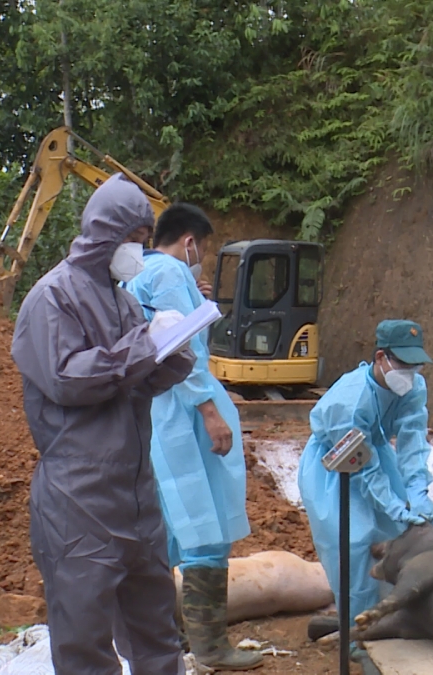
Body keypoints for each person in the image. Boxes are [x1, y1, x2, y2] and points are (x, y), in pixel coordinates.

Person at [11, 174, 198, 675]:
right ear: (104, 235)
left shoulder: (123, 299)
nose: (137, 253)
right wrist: (143, 347)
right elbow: (68, 379)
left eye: (142, 241)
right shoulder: (52, 297)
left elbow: (132, 383)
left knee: (156, 632)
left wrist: (173, 351)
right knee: (85, 642)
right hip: (79, 497)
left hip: (134, 492)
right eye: (133, 242)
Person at [122, 203, 261, 671]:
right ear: (189, 242)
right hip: (183, 414)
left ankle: (168, 636)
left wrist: (197, 300)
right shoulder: (167, 275)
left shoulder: (139, 275)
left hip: (155, 415)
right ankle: (211, 647)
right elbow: (181, 349)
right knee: (204, 523)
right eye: (200, 248)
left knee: (169, 526)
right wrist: (208, 410)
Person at [297, 320, 433, 643]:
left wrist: (416, 492)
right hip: (333, 467)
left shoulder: (413, 386)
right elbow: (361, 467)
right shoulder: (349, 400)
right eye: (402, 364)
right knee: (351, 543)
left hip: (375, 452)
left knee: (397, 534)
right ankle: (358, 633)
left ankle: (392, 617)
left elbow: (412, 441)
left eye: (415, 364)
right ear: (381, 357)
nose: (410, 371)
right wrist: (393, 504)